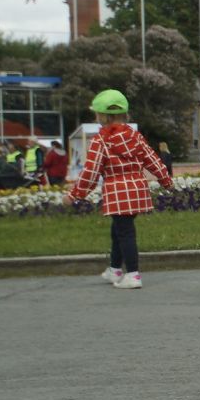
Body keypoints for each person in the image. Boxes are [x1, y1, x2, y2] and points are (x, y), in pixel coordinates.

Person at [68, 90, 173, 289]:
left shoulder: (101, 141)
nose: (96, 118)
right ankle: (115, 269)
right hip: (137, 189)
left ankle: (133, 274)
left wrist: (74, 195)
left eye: (97, 114)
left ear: (103, 116)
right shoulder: (135, 136)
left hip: (117, 192)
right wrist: (166, 181)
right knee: (118, 230)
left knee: (125, 233)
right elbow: (153, 160)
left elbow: (91, 172)